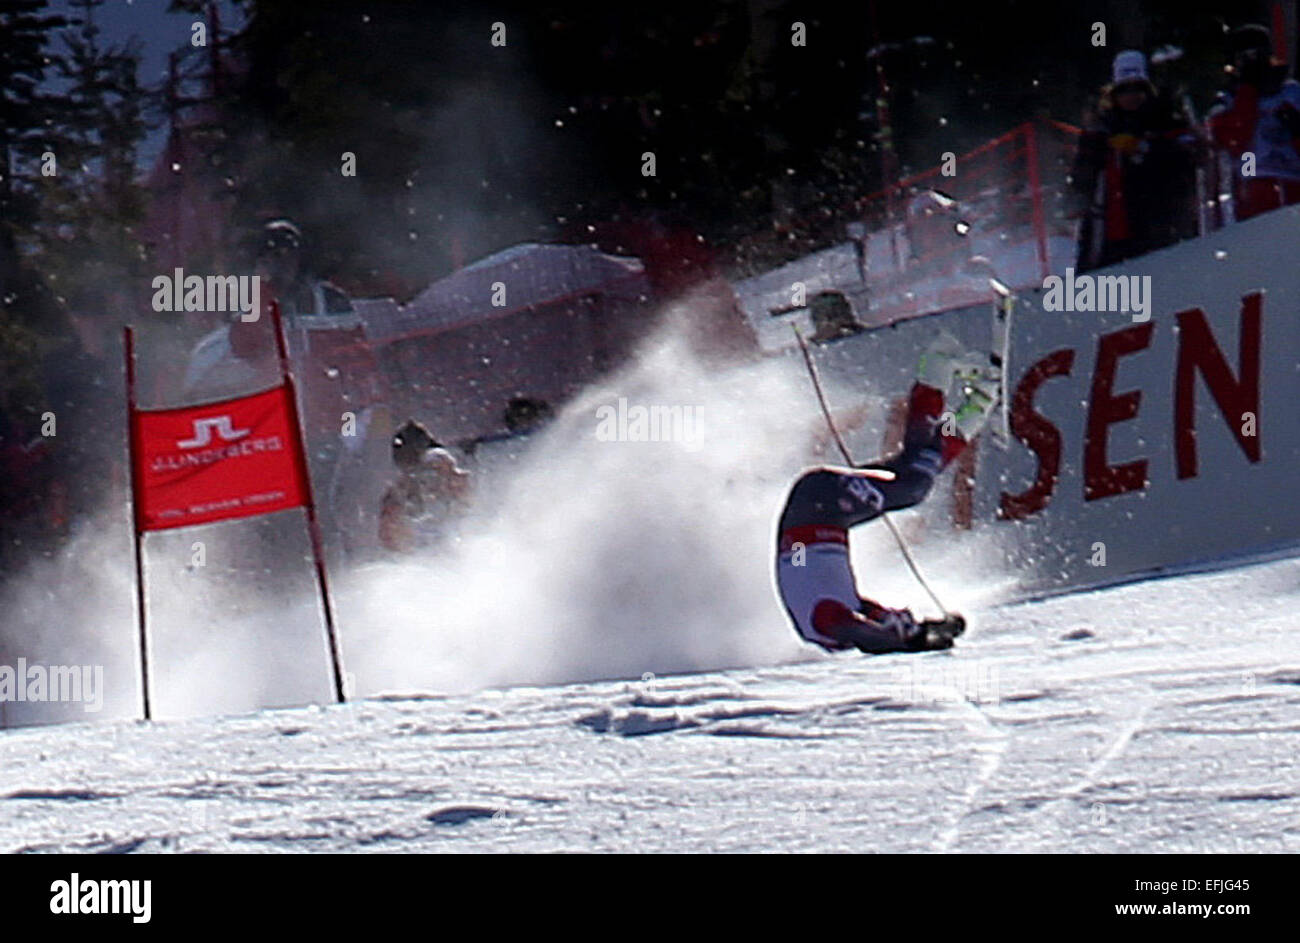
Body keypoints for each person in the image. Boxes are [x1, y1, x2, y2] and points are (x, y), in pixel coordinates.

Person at [774, 333, 999, 654]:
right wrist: (924, 628)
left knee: (913, 489)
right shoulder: (848, 607)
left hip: (819, 504)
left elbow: (868, 635)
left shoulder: (826, 624)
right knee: (915, 468)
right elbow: (874, 620)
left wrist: (913, 643)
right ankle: (957, 389)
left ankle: (954, 381)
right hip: (821, 513)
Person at [1069, 50, 1199, 271]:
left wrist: (1146, 149)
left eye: (1138, 89)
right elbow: (1083, 175)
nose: (1131, 96)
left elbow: (1185, 163)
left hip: (1157, 222)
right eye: (1124, 90)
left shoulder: (1164, 119)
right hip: (1111, 225)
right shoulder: (1102, 127)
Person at [1208, 24, 1300, 221]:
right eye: (1245, 58)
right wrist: (1247, 93)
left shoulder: (1291, 92)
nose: (1253, 63)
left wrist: (1295, 127)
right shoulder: (1228, 100)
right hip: (1253, 170)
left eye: (1258, 55)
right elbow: (1235, 141)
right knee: (1250, 167)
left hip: (1292, 174)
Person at [378, 420, 472, 553]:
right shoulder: (400, 490)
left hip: (448, 539)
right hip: (429, 546)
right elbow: (388, 537)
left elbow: (458, 480)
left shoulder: (436, 458)